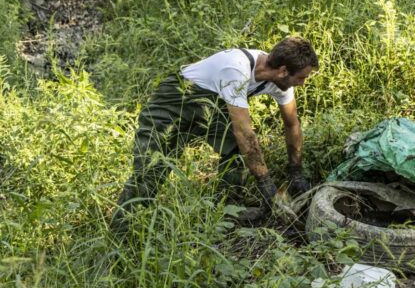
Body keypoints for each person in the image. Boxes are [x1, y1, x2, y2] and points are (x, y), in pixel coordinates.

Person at [111, 36, 318, 232]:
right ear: (283, 70)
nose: (302, 83)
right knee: (150, 169)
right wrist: (266, 184)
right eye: (301, 77)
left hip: (211, 108)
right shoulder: (235, 68)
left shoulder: (280, 82)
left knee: (236, 150)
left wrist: (296, 170)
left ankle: (228, 211)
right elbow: (245, 133)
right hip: (173, 103)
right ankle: (122, 230)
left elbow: (292, 124)